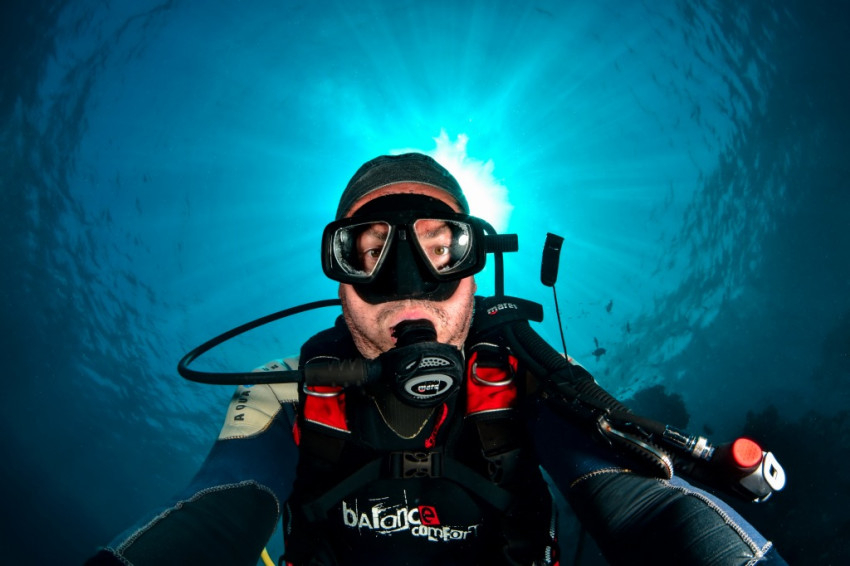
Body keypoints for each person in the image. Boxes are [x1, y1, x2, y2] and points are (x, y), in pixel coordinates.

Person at [85, 153, 786, 565]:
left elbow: (648, 511)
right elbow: (217, 510)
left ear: (476, 265)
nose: (408, 283)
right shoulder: (285, 389)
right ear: (339, 276)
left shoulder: (530, 377)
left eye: (441, 247)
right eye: (370, 251)